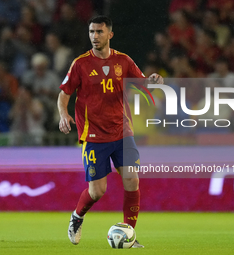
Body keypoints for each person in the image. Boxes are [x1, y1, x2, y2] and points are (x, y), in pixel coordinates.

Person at [57, 16, 163, 248]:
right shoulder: (80, 64)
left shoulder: (123, 61)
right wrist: (63, 114)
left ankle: (130, 234)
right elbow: (64, 93)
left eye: (99, 32)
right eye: (92, 32)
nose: (94, 36)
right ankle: (77, 217)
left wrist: (153, 80)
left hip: (123, 132)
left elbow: (142, 83)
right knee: (98, 191)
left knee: (131, 180)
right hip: (94, 136)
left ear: (110, 35)